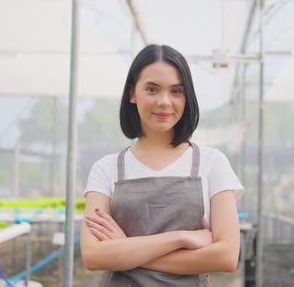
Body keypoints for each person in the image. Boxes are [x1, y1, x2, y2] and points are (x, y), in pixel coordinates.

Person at [81, 44, 244, 286]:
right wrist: (181, 238)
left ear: (187, 96)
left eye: (176, 91)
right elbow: (93, 256)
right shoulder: (106, 169)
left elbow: (227, 257)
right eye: (152, 89)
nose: (164, 102)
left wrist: (125, 249)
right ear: (132, 94)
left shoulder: (212, 163)